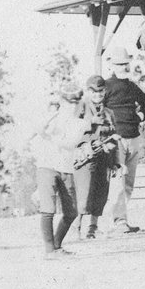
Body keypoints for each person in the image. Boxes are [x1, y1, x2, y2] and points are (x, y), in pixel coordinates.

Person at [100, 44, 145, 232]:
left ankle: (121, 218)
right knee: (118, 182)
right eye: (120, 64)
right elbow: (99, 109)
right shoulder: (106, 86)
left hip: (134, 137)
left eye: (126, 63)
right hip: (117, 140)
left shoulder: (132, 86)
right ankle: (118, 221)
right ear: (113, 66)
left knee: (129, 182)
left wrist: (140, 117)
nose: (124, 67)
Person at [32, 83, 87, 257]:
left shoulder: (81, 123)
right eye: (69, 102)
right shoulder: (52, 117)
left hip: (66, 168)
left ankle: (56, 245)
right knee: (48, 209)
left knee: (71, 212)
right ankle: (49, 250)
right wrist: (49, 121)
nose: (73, 106)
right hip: (47, 167)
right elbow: (38, 130)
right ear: (62, 101)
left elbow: (71, 144)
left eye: (76, 102)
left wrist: (50, 137)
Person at [74, 75, 116, 238]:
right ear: (88, 91)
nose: (97, 94)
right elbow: (71, 129)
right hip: (85, 157)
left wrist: (115, 160)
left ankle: (92, 227)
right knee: (85, 192)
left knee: (101, 192)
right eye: (94, 91)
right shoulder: (81, 107)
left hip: (104, 156)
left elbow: (114, 135)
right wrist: (90, 121)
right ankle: (76, 227)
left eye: (100, 91)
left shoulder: (109, 112)